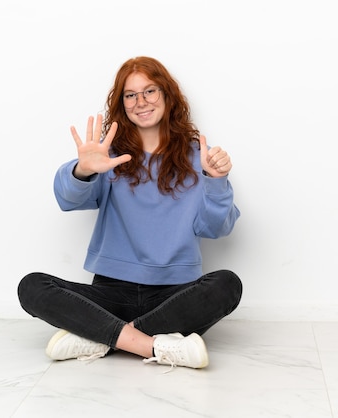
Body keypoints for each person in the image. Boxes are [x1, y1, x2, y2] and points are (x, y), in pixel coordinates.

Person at [18, 56, 242, 370]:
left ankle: (102, 335)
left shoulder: (198, 157)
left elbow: (217, 228)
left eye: (150, 91)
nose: (141, 101)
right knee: (32, 286)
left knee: (228, 284)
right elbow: (67, 200)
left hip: (174, 295)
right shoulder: (107, 156)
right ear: (122, 104)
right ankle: (153, 344)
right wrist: (82, 169)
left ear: (167, 96)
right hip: (110, 292)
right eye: (130, 95)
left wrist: (216, 181)